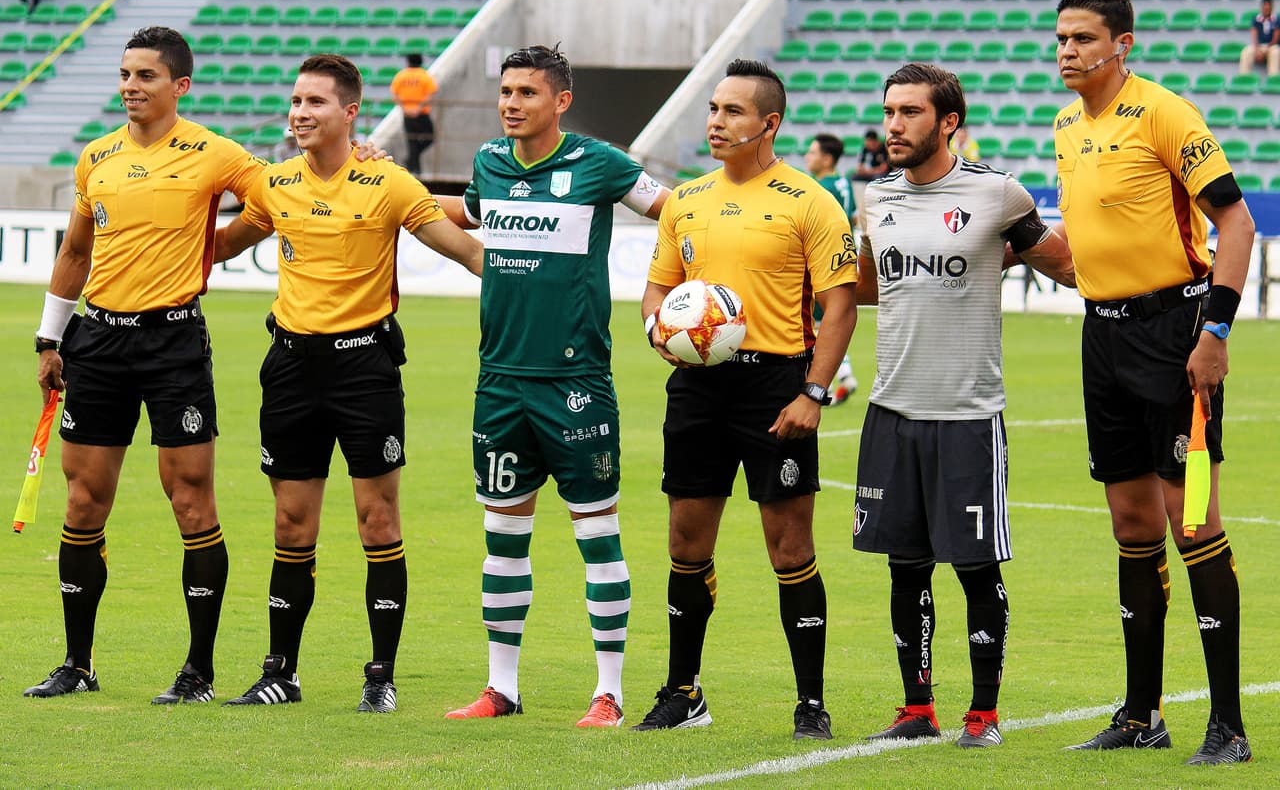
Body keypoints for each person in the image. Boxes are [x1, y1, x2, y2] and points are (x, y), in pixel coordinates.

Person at [214, 54, 483, 713]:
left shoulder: (387, 181)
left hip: (364, 370)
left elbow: (466, 250)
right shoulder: (274, 183)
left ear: (350, 112)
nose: (300, 113)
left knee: (378, 518)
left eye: (315, 102)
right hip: (290, 368)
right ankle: (280, 673)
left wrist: (536, 293)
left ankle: (380, 676)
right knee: (290, 521)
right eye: (295, 101)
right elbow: (219, 246)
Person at [23, 26, 264, 705]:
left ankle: (198, 672)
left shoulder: (214, 152)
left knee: (189, 498)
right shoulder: (96, 156)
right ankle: (77, 663)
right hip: (98, 341)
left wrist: (217, 245)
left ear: (179, 85)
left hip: (173, 343)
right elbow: (75, 252)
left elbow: (280, 200)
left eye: (146, 76)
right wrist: (49, 339)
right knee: (82, 499)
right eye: (126, 74)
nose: (131, 86)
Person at [438, 44, 669, 728]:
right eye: (506, 91)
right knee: (503, 536)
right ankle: (500, 688)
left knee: (597, 534)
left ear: (561, 101)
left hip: (575, 383)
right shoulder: (490, 161)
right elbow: (469, 213)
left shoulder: (599, 163)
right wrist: (391, 190)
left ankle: (609, 693)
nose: (511, 103)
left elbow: (674, 210)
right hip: (500, 382)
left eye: (527, 93)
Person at [1054, 0, 1256, 765]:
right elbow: (1084, 243)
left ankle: (1227, 725)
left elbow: (1235, 221)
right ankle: (1142, 715)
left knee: (1194, 520)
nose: (1068, 50)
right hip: (1101, 340)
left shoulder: (1166, 114)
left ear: (1122, 44)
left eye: (1083, 37)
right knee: (1133, 526)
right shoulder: (1066, 126)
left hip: (1177, 337)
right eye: (1061, 38)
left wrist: (1215, 332)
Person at [852, 63, 1075, 749]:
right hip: (892, 410)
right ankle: (916, 708)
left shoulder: (996, 193)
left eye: (910, 112)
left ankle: (984, 714)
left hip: (968, 415)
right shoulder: (875, 198)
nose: (894, 125)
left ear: (948, 121)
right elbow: (868, 287)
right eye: (889, 111)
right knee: (905, 567)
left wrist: (1010, 255)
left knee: (977, 568)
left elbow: (1067, 265)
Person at [634, 59, 857, 741]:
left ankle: (811, 703)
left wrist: (814, 391)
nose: (716, 121)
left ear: (769, 123)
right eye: (712, 109)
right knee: (685, 539)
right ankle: (682, 692)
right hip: (698, 385)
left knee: (789, 546)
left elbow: (841, 305)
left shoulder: (810, 201)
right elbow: (657, 289)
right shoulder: (686, 200)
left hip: (775, 385)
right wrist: (658, 329)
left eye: (732, 111)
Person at [803, 133, 859, 405]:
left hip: (824, 262)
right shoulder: (844, 181)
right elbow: (854, 218)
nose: (807, 157)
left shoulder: (820, 187)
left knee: (816, 325)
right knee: (829, 320)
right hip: (845, 258)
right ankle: (844, 375)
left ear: (827, 159)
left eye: (812, 153)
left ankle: (820, 384)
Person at [390, 52, 438, 177]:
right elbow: (430, 94)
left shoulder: (401, 76)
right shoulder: (424, 76)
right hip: (421, 113)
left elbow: (394, 94)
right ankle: (415, 168)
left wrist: (404, 108)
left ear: (408, 62)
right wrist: (418, 108)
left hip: (407, 114)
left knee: (412, 142)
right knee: (429, 138)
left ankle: (412, 163)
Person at [851, 128, 889, 231]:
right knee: (854, 178)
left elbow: (884, 168)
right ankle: (858, 207)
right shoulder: (865, 149)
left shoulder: (883, 148)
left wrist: (868, 171)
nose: (867, 144)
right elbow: (860, 165)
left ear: (875, 141)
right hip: (870, 173)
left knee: (878, 177)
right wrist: (861, 170)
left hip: (882, 174)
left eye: (869, 142)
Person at [1238, 0, 1279, 76]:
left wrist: (1266, 51)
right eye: (1265, 5)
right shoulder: (1256, 19)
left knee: (1275, 52)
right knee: (1246, 52)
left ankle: (1273, 77)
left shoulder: (1277, 19)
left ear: (1272, 7)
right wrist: (1257, 50)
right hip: (1259, 46)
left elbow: (1275, 39)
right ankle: (1243, 77)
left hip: (1272, 46)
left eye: (1268, 5)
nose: (1266, 7)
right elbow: (1254, 35)